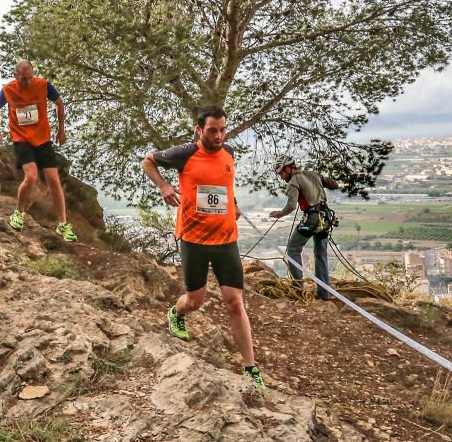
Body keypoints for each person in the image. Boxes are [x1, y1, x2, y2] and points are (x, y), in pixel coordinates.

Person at [141, 105, 265, 389]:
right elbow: (148, 161)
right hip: (194, 240)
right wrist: (163, 186)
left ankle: (250, 367)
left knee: (234, 301)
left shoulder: (229, 153)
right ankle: (176, 313)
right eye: (212, 130)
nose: (219, 135)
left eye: (223, 130)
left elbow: (223, 185)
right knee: (195, 301)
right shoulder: (184, 153)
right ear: (200, 130)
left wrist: (232, 205)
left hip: (225, 239)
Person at [0, 59, 77, 242]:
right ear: (16, 76)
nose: (28, 82)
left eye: (30, 77)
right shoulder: (8, 89)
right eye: (23, 79)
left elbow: (59, 103)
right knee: (31, 178)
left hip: (42, 138)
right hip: (21, 138)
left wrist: (61, 129)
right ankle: (18, 213)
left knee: (54, 180)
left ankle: (62, 224)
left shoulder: (43, 85)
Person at [270, 157, 339, 302]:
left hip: (312, 218)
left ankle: (297, 289)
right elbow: (335, 185)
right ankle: (323, 294)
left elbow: (291, 205)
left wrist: (279, 214)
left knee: (293, 250)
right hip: (325, 217)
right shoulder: (313, 174)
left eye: (281, 173)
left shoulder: (293, 182)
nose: (281, 177)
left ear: (288, 169)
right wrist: (323, 176)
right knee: (321, 254)